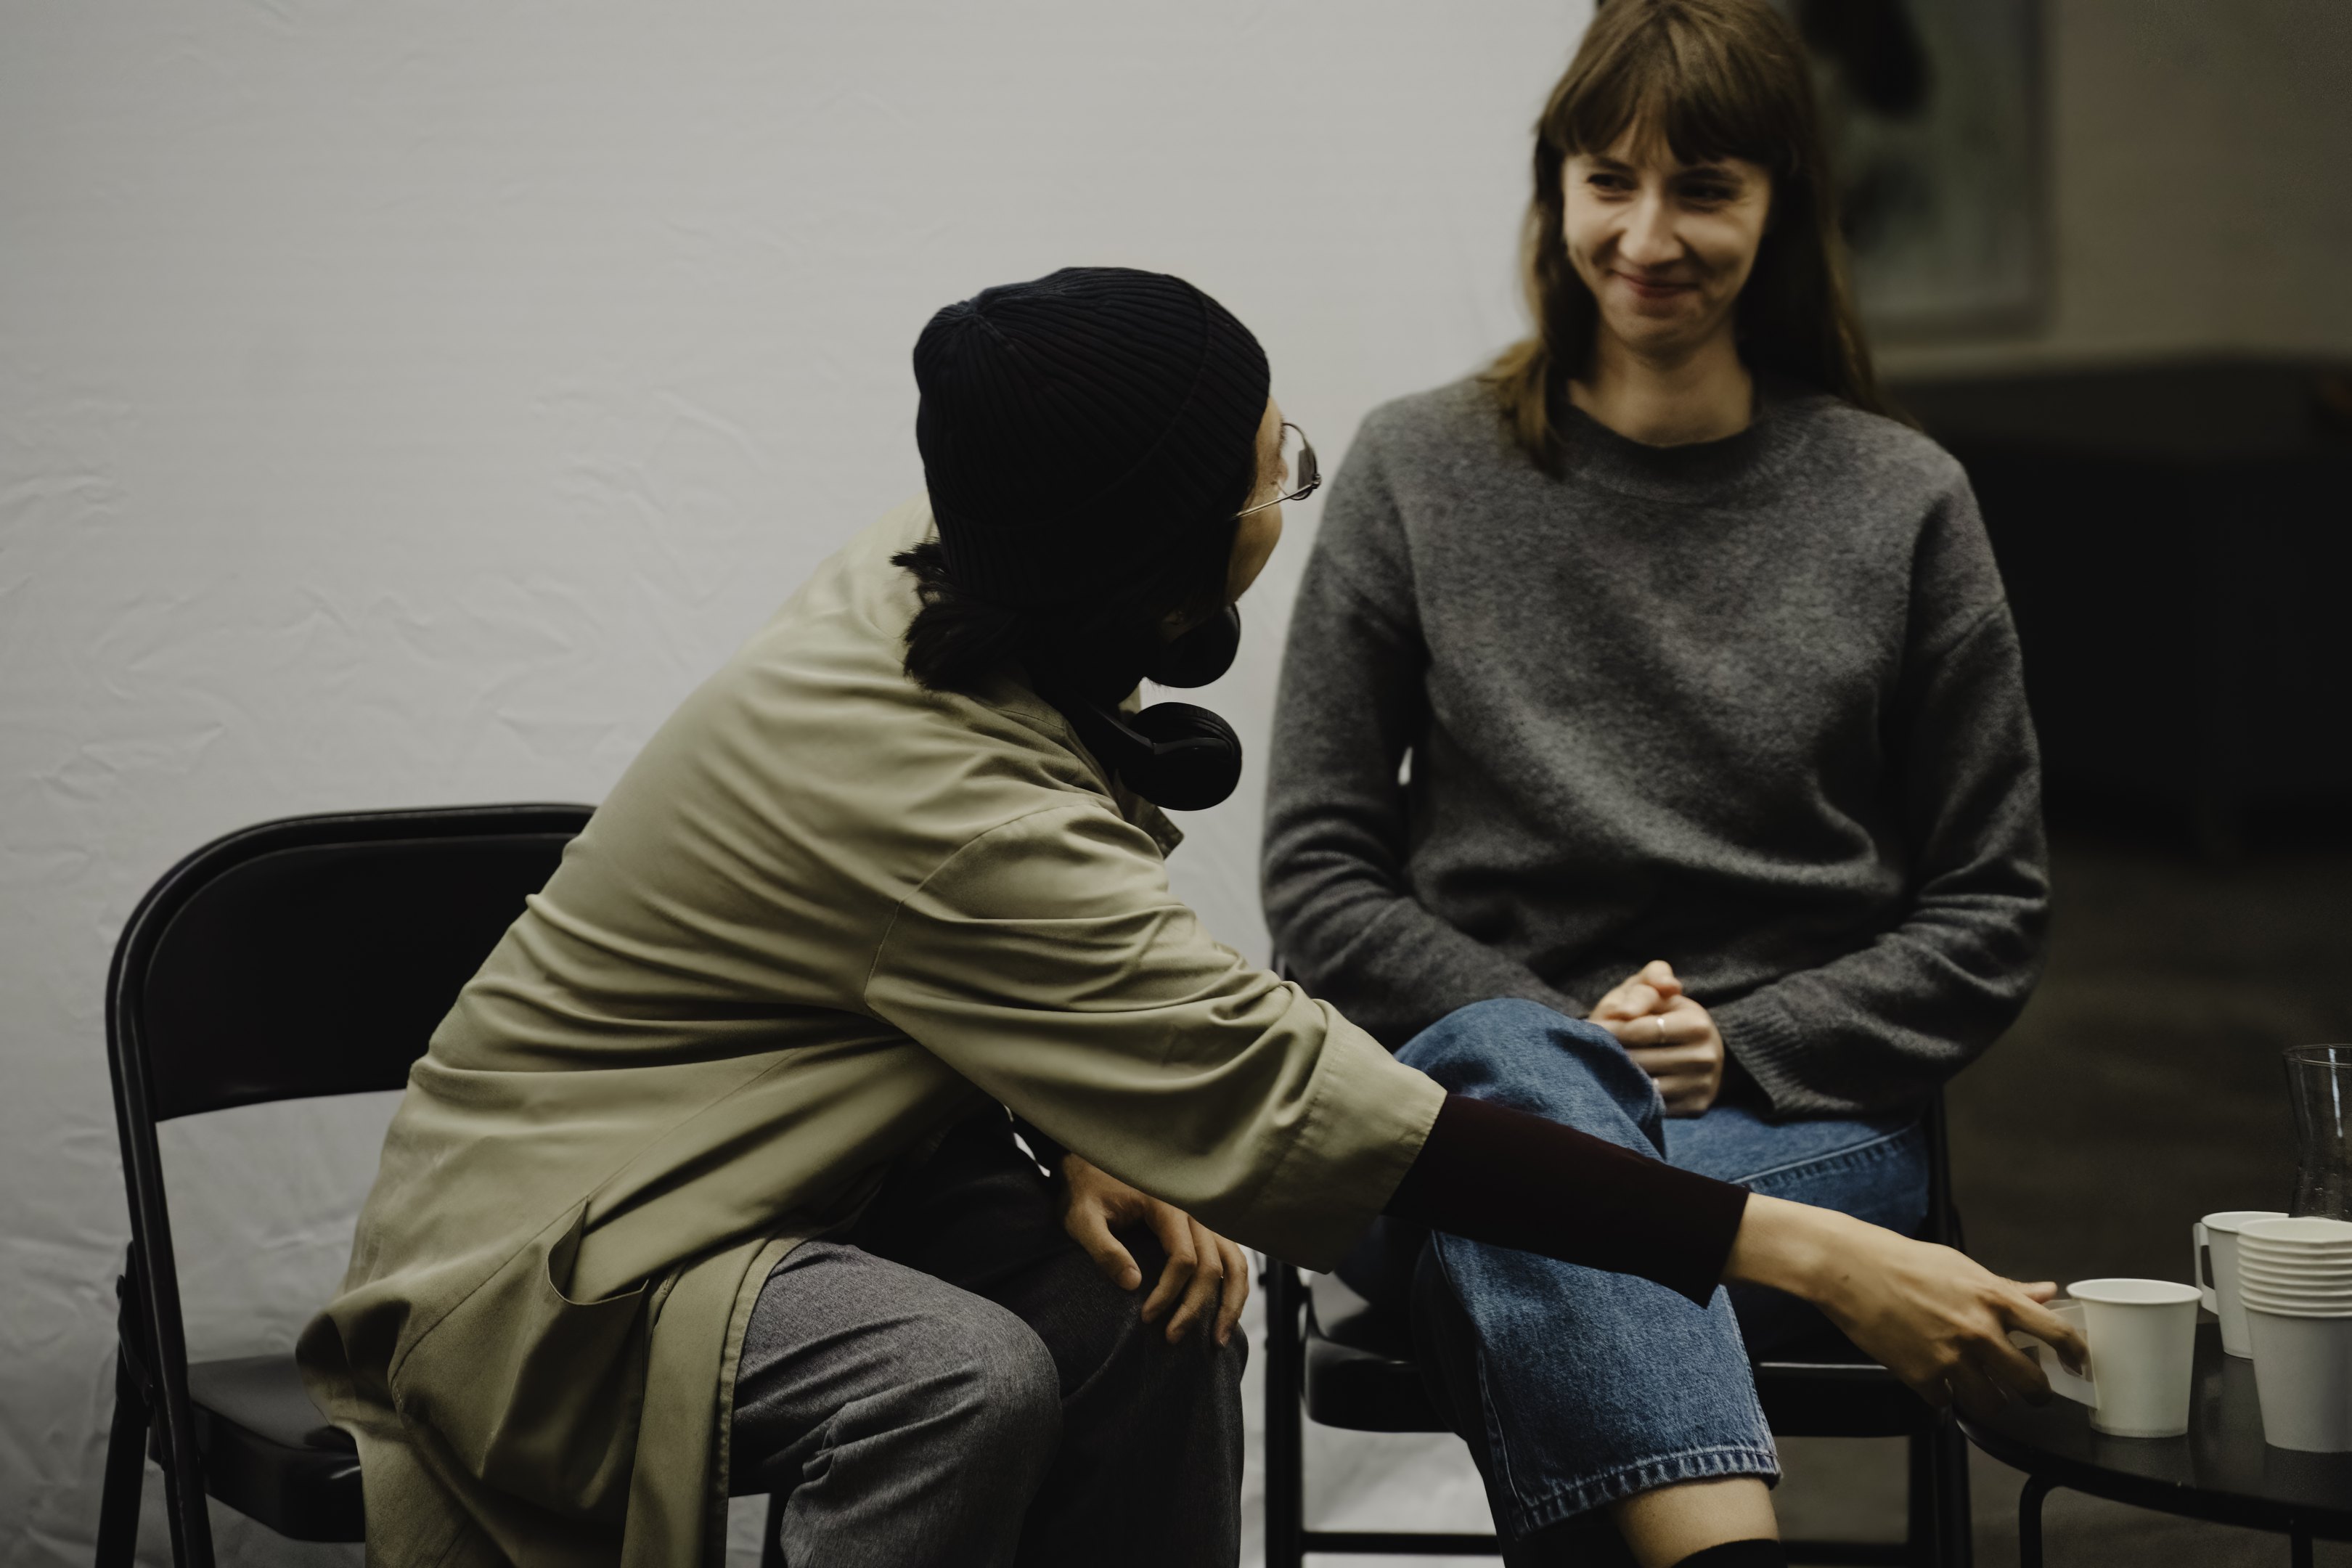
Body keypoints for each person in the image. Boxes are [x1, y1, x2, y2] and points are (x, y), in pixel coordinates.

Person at [302, 266, 2075, 1568]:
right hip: (567, 1251)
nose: (1286, 482)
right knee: (966, 1376)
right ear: (1167, 554)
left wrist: (1076, 1117)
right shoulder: (931, 790)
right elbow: (1297, 1074)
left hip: (816, 1174)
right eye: (1266, 465)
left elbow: (924, 974)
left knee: (1153, 1307)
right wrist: (1828, 1256)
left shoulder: (956, 555)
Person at [1262, 0, 2049, 1558]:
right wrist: (1565, 1047)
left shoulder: (1901, 501)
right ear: (1555, 192)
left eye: (1706, 187)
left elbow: (1992, 909)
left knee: (1526, 1228)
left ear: (1782, 204)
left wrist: (1735, 1046)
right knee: (1513, 1098)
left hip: (1780, 1117)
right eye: (1610, 179)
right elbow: (1319, 876)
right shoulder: (1418, 467)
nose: (1649, 232)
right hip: (1457, 1094)